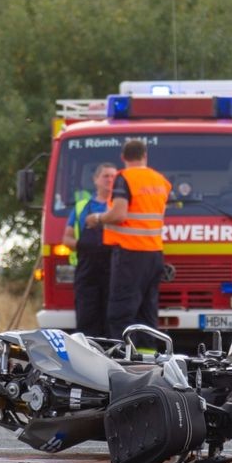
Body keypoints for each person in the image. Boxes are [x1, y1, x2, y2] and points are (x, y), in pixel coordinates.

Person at [87, 139, 172, 341]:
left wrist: (97, 218)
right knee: (147, 314)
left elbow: (119, 213)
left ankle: (123, 363)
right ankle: (148, 361)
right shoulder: (160, 180)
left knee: (120, 314)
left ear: (123, 157)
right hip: (154, 254)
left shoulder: (124, 178)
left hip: (130, 255)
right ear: (145, 156)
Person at [62, 163, 117, 337]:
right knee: (87, 319)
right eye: (105, 176)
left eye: (113, 177)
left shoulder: (119, 207)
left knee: (113, 319)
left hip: (115, 270)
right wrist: (84, 245)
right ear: (95, 180)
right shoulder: (81, 207)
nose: (110, 180)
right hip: (87, 272)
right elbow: (66, 238)